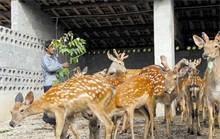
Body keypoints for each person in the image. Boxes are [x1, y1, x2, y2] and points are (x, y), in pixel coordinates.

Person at [41, 40, 69, 127]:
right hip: (49, 83)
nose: (54, 49)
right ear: (46, 49)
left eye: (54, 47)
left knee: (56, 102)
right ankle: (47, 121)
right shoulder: (44, 59)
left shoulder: (55, 58)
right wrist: (61, 66)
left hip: (56, 82)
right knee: (48, 102)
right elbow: (50, 69)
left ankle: (55, 121)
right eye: (51, 47)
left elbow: (58, 69)